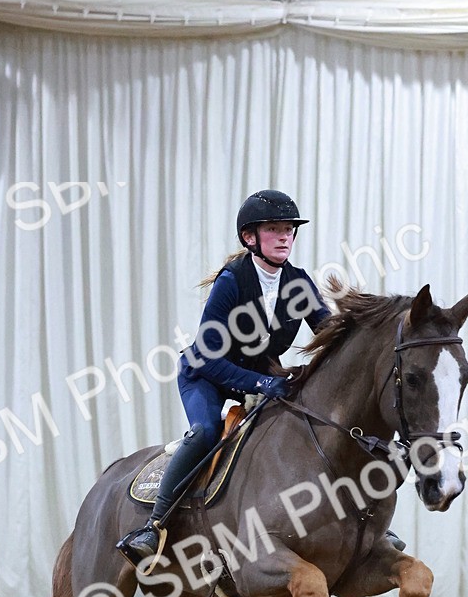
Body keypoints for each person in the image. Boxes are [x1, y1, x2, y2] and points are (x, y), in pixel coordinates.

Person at [125, 189, 330, 559]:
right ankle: (153, 526)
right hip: (206, 375)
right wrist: (265, 382)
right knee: (204, 433)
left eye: (289, 229)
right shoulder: (232, 281)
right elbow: (207, 357)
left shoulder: (298, 284)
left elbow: (331, 335)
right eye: (274, 229)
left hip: (258, 378)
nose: (285, 236)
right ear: (250, 237)